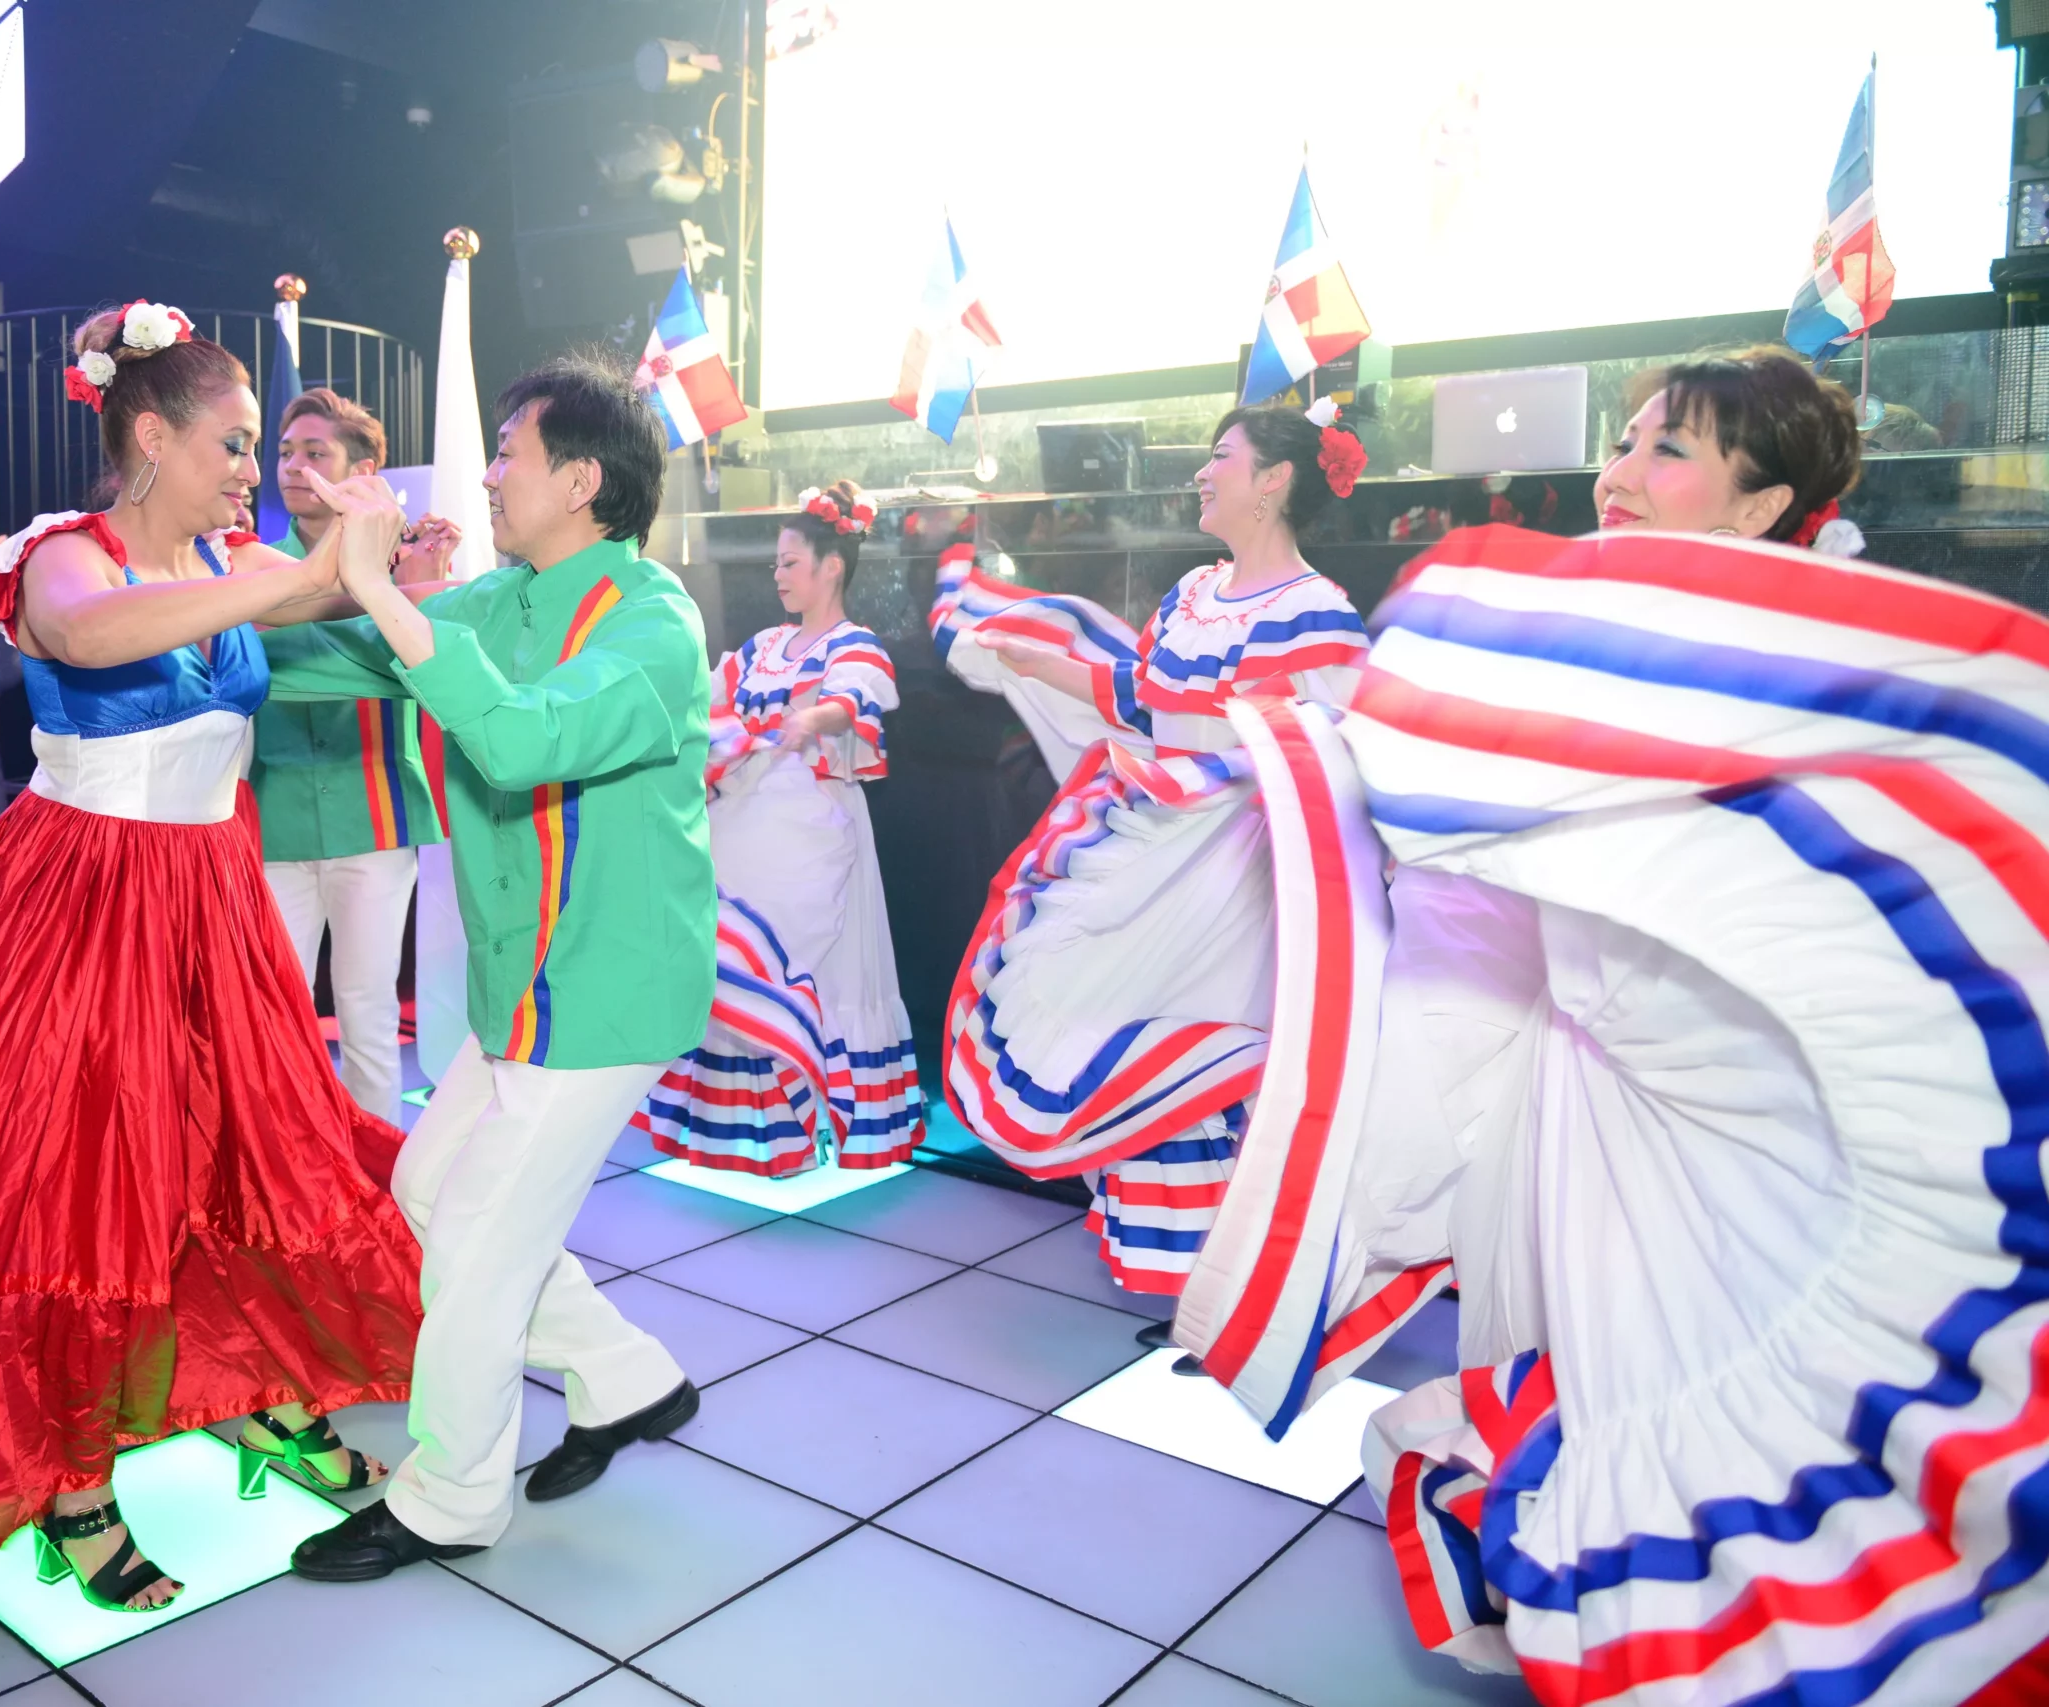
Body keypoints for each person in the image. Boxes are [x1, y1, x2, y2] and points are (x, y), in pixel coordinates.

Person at [1157, 346, 2049, 1702]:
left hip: (1705, 1143)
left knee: (1691, 1454)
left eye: (1667, 452)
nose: (1617, 474)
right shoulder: (1602, 665)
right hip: (1568, 1116)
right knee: (1581, 1417)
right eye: (1624, 442)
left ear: (1758, 509)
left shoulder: (1763, 691)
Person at [0, 300, 421, 1619]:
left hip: (207, 896)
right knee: (80, 1181)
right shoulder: (62, 552)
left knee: (247, 1150)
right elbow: (92, 636)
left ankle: (267, 1397)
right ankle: (74, 1480)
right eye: (230, 444)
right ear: (149, 436)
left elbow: (358, 605)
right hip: (83, 899)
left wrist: (382, 548)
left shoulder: (230, 552)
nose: (248, 469)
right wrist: (306, 570)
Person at [261, 350, 711, 1583]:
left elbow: (520, 744)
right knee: (426, 1198)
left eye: (507, 456)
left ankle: (451, 1497)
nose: (489, 476)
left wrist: (389, 599)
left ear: (578, 480)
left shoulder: (652, 622)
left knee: (474, 1240)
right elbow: (346, 654)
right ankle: (626, 1381)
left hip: (608, 991)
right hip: (524, 991)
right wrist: (194, 620)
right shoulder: (506, 599)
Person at [936, 402, 1369, 1302]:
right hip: (1146, 843)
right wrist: (1023, 655)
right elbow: (1137, 693)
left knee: (1209, 1054)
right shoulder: (1193, 593)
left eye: (1221, 457)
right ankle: (1180, 1276)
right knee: (1086, 1003)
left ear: (1275, 479)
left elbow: (1339, 760)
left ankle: (1238, 1286)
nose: (1204, 473)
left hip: (1236, 874)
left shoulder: (1317, 616)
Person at [634, 478, 921, 1176]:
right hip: (747, 825)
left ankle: (826, 1120)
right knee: (742, 954)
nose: (779, 574)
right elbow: (704, 692)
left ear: (832, 566)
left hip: (819, 826)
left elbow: (858, 698)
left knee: (822, 967)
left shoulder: (853, 644)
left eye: (791, 561)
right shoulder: (765, 645)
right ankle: (754, 1133)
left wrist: (812, 719)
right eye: (776, 563)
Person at [249, 389, 446, 1120]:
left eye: (315, 452)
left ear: (363, 469)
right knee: (276, 1010)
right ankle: (282, 1179)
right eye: (285, 451)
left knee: (368, 1010)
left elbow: (424, 673)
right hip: (276, 821)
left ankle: (378, 1178)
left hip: (376, 814)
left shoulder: (408, 570)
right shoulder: (246, 561)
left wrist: (416, 587)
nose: (293, 466)